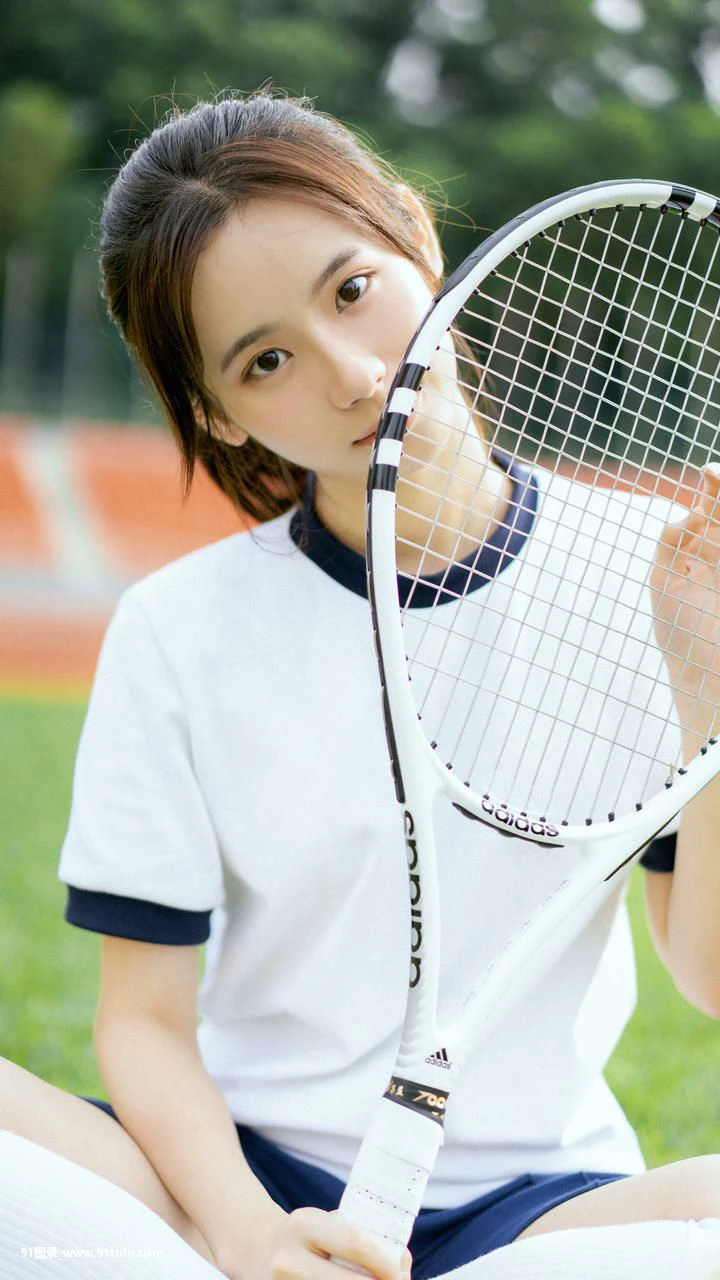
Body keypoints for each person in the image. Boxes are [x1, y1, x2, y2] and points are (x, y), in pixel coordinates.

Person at [2, 91, 720, 1280]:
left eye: (351, 289)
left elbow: (711, 975)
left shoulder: (659, 572)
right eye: (266, 360)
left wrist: (709, 688)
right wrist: (251, 1238)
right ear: (218, 414)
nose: (352, 373)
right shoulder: (177, 630)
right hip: (223, 1184)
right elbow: (141, 1019)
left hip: (537, 1211)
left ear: (414, 235)